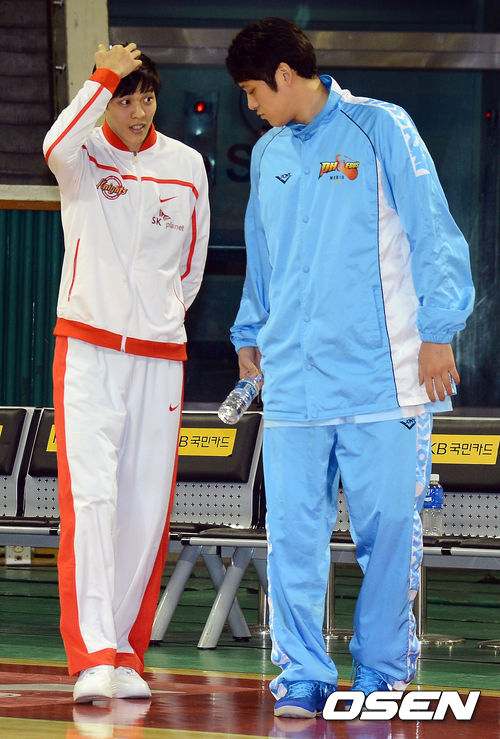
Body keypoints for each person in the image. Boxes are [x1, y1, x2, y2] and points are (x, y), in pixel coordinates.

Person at [225, 18, 474, 719]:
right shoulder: (270, 153)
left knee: (389, 530)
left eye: (253, 91)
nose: (252, 106)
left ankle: (383, 670)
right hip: (294, 384)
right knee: (292, 536)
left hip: (382, 379)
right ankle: (304, 671)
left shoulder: (382, 127)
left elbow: (432, 229)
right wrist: (249, 335)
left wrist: (439, 331)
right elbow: (263, 257)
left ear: (283, 74)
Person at [43, 43, 209, 703]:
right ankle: (91, 655)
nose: (139, 112)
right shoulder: (82, 155)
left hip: (159, 356)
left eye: (147, 98)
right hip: (87, 349)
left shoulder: (186, 164)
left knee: (144, 507)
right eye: (125, 99)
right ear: (106, 101)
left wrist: (157, 318)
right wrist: (101, 76)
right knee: (91, 501)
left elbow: (191, 267)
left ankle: (124, 651)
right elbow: (53, 141)